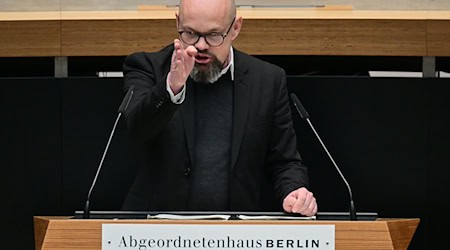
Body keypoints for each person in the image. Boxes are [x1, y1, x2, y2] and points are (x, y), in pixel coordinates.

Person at [121, 0, 317, 216]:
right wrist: (172, 87)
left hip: (235, 236)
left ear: (235, 28)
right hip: (156, 232)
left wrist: (293, 191)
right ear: (178, 22)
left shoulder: (267, 80)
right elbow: (136, 129)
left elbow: (284, 162)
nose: (201, 45)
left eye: (214, 35)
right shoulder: (147, 67)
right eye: (190, 33)